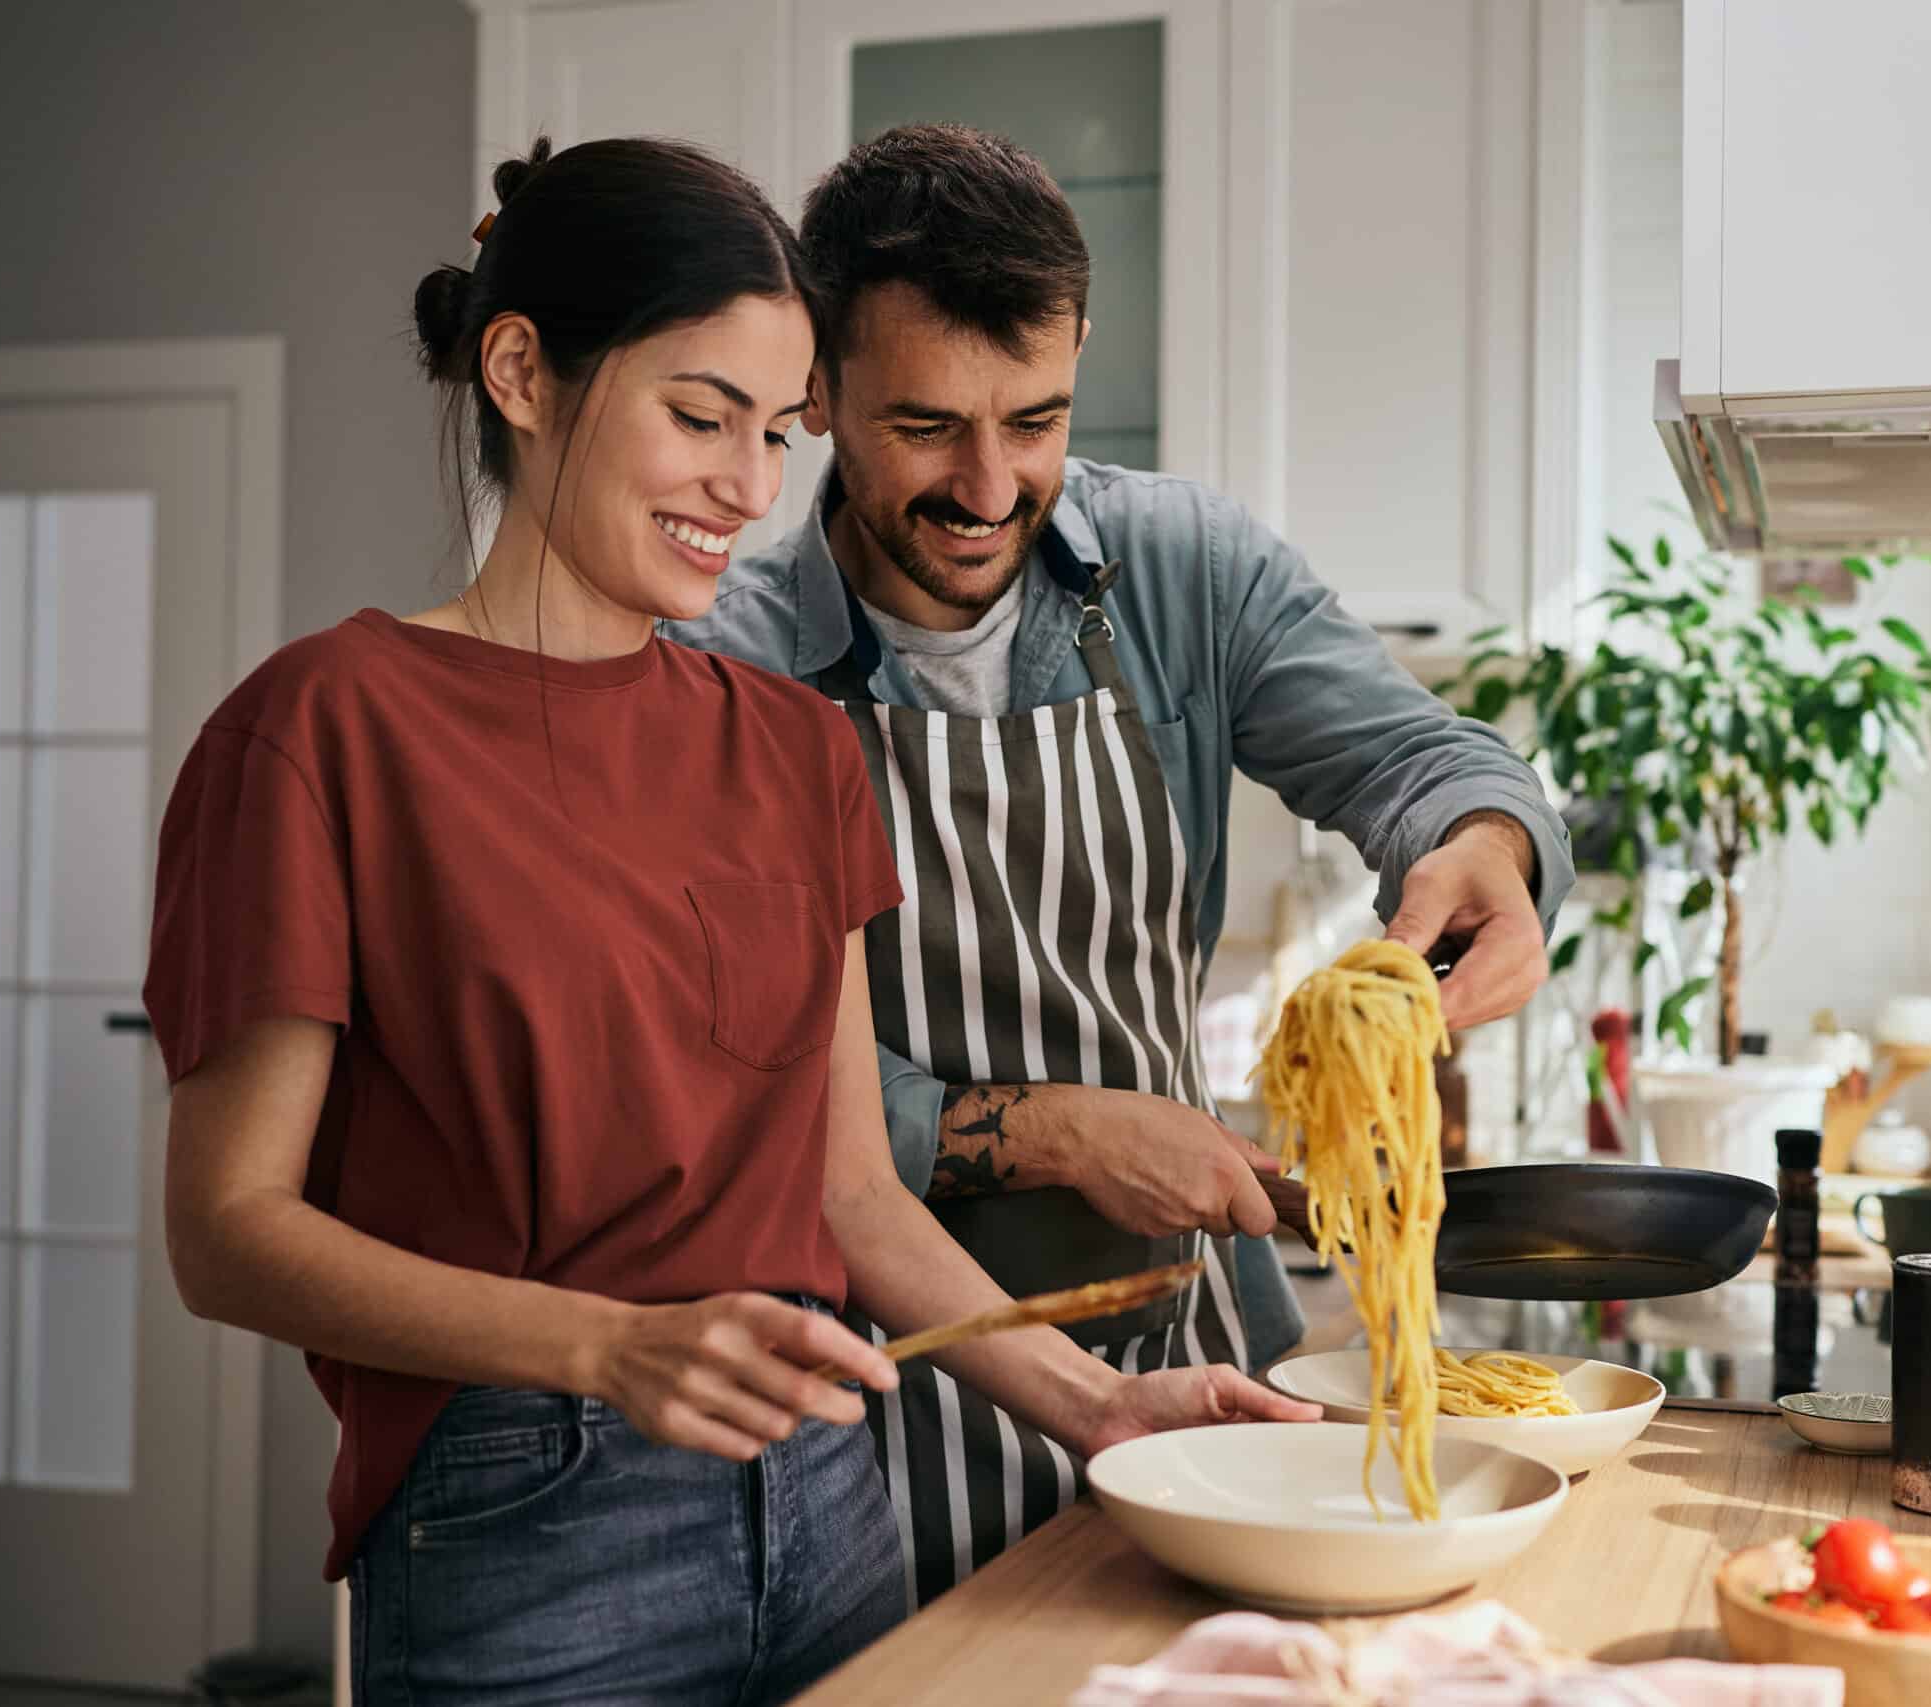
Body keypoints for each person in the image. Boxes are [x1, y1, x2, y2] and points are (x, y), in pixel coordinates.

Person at [145, 136, 1315, 1707]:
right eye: (700, 418)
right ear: (521, 372)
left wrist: (1090, 1406)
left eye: (776, 432)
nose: (751, 489)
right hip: (527, 1528)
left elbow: (846, 1197)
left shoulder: (785, 745)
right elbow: (229, 1234)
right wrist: (602, 1350)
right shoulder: (325, 730)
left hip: (832, 1504)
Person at [666, 123, 1572, 1609]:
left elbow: (1424, 762)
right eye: (925, 427)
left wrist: (1487, 848)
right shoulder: (726, 654)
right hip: (868, 1398)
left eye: (1035, 421)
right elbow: (726, 1093)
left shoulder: (1179, 567)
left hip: (1186, 1354)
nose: (987, 484)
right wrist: (1052, 1132)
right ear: (814, 387)